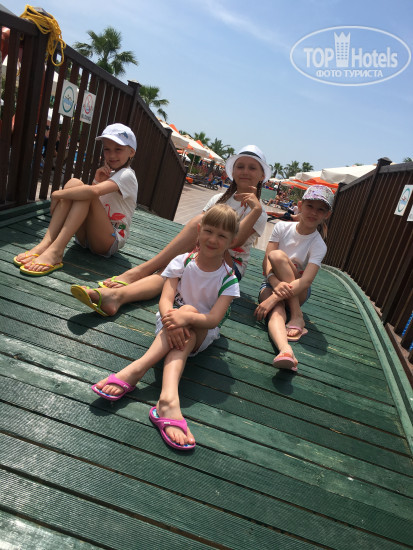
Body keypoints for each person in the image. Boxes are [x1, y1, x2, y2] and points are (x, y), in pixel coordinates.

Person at [91, 204, 241, 450]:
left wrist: (185, 318)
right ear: (199, 230)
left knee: (189, 311)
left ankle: (136, 369)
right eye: (209, 231)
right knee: (184, 312)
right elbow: (165, 300)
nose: (213, 239)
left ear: (231, 241)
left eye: (222, 235)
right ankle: (168, 400)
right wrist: (175, 319)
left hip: (202, 332)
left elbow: (213, 320)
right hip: (168, 321)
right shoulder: (182, 261)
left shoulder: (228, 278)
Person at [72, 145, 270, 317]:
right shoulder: (219, 199)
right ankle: (115, 297)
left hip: (229, 265)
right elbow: (200, 235)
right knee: (172, 271)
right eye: (240, 166)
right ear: (233, 171)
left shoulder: (259, 211)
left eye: (252, 167)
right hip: (204, 250)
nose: (245, 171)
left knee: (198, 225)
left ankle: (140, 271)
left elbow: (234, 242)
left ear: (262, 176)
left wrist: (255, 210)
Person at [13, 123, 138, 276]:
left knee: (85, 192)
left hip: (109, 241)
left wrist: (57, 194)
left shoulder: (127, 175)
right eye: (107, 149)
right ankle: (46, 243)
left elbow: (92, 193)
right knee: (75, 183)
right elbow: (89, 202)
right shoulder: (108, 174)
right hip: (85, 239)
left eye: (118, 149)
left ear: (131, 152)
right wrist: (97, 180)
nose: (112, 155)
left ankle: (56, 251)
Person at [254, 185, 334, 371]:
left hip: (299, 291)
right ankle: (285, 350)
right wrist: (274, 284)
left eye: (320, 209)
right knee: (276, 310)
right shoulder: (282, 227)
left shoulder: (318, 244)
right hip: (272, 282)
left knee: (277, 257)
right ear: (300, 205)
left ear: (327, 215)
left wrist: (274, 296)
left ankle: (297, 314)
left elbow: (306, 281)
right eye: (309, 206)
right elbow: (266, 262)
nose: (313, 212)